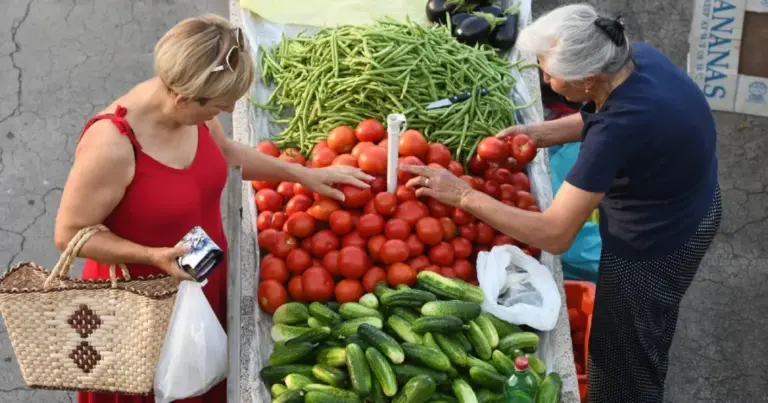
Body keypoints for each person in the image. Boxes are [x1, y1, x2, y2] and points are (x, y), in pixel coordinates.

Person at [401, 4, 721, 403]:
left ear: (587, 79)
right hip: (692, 201)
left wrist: (463, 195)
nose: (545, 79)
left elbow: (555, 234)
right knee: (648, 326)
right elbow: (606, 114)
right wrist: (542, 132)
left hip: (658, 239)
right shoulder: (634, 58)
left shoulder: (616, 132)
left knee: (622, 353)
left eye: (550, 73)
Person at [54, 14, 372, 403]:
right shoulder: (113, 145)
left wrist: (303, 174)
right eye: (219, 107)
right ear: (183, 98)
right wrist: (152, 256)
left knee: (203, 384)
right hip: (139, 306)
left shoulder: (193, 114)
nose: (222, 115)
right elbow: (69, 233)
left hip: (200, 280)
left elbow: (227, 153)